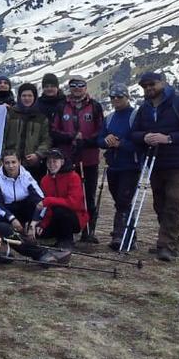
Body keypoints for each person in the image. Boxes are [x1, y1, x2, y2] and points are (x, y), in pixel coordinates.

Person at [130, 71, 179, 262]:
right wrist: (144, 137)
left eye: (152, 84)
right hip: (155, 163)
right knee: (160, 204)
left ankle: (166, 246)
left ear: (162, 83)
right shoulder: (144, 108)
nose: (148, 89)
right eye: (145, 86)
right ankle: (170, 241)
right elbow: (134, 133)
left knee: (173, 201)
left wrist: (169, 139)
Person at [49, 75, 104, 242]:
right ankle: (67, 230)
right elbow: (53, 130)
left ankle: (88, 230)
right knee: (67, 195)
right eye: (74, 85)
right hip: (66, 159)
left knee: (89, 195)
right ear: (69, 87)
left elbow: (101, 131)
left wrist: (85, 141)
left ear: (85, 87)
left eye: (81, 85)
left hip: (89, 158)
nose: (77, 88)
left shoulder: (95, 106)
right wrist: (71, 137)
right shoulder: (61, 106)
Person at [98, 83, 143, 250]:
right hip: (113, 167)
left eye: (119, 96)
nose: (116, 99)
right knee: (120, 202)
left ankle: (119, 236)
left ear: (127, 97)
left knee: (124, 201)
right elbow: (99, 140)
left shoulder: (135, 117)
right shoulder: (109, 118)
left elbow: (140, 142)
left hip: (130, 166)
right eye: (113, 97)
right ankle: (130, 236)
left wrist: (120, 144)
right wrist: (106, 141)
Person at [36, 149, 86, 251]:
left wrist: (49, 200)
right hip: (53, 216)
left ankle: (67, 241)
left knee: (60, 210)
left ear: (62, 162)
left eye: (55, 161)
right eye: (49, 162)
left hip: (75, 216)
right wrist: (43, 224)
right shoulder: (45, 180)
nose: (51, 165)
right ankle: (58, 238)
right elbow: (48, 208)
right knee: (40, 233)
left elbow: (74, 203)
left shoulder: (73, 177)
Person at [2, 82, 52, 181]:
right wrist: (4, 155)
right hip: (11, 163)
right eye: (24, 95)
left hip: (33, 165)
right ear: (19, 97)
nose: (27, 98)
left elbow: (47, 140)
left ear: (35, 97)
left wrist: (38, 154)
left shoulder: (41, 118)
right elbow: (2, 136)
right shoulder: (10, 114)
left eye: (30, 95)